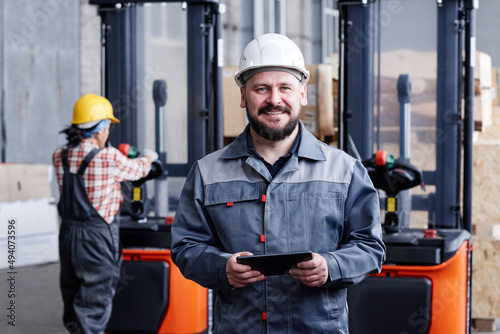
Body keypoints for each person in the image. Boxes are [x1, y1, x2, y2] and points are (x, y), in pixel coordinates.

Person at [171, 33, 385, 333]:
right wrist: (222, 268)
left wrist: (331, 266)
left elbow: (370, 246)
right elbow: (186, 247)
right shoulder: (208, 172)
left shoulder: (345, 170)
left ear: (302, 95)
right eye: (262, 88)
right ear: (244, 96)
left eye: (285, 87)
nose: (274, 99)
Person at [52, 94, 158, 334]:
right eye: (108, 126)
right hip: (96, 239)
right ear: (99, 129)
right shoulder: (108, 157)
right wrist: (150, 156)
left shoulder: (60, 155)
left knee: (73, 297)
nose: (109, 132)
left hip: (68, 236)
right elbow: (139, 169)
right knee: (94, 303)